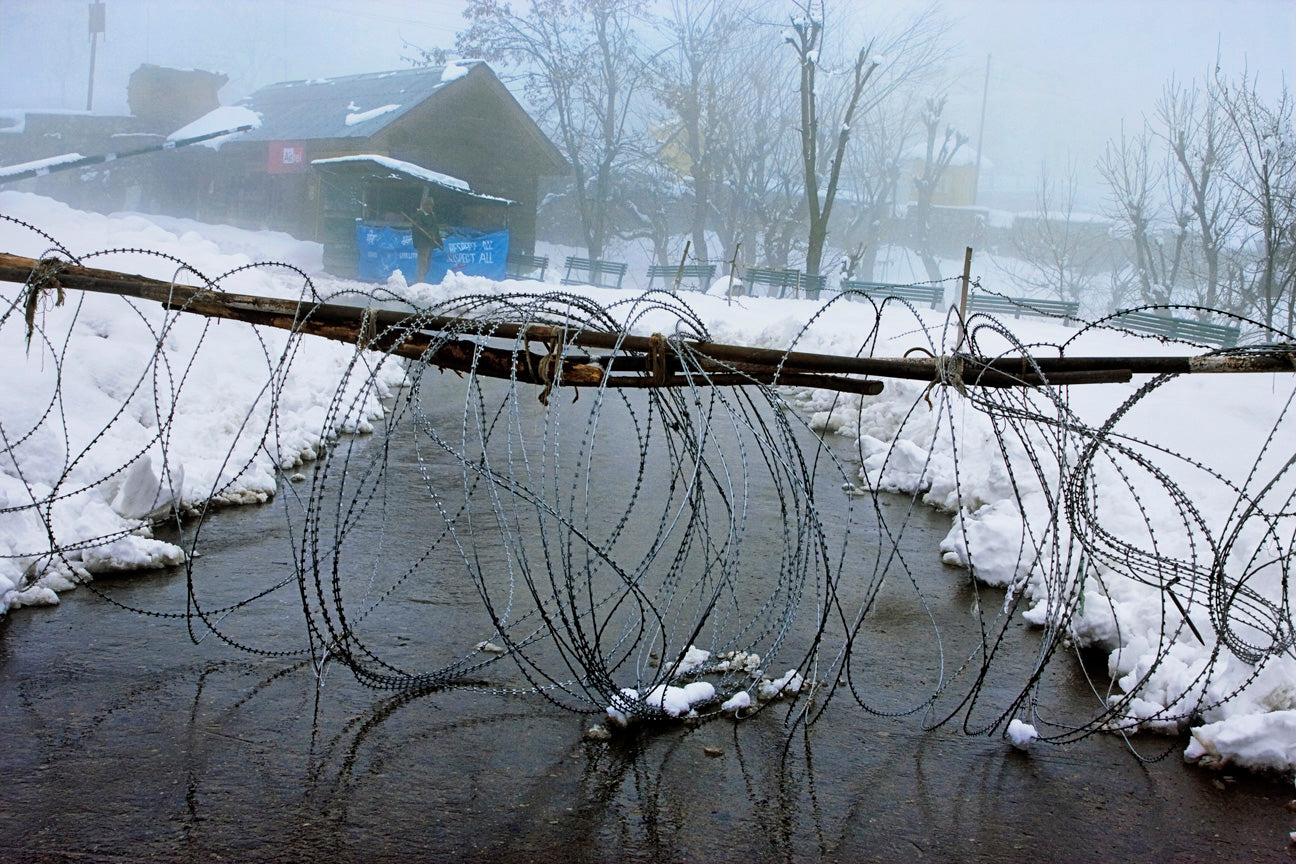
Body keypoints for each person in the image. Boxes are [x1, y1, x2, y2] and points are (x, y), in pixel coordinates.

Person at [409, 193, 443, 282]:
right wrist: (428, 234)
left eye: (431, 205)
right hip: (422, 243)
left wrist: (439, 242)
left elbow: (436, 230)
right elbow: (418, 229)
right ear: (424, 206)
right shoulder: (419, 215)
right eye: (428, 205)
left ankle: (423, 277)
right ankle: (420, 280)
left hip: (430, 243)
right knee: (422, 262)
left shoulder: (432, 216)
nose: (430, 207)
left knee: (428, 263)